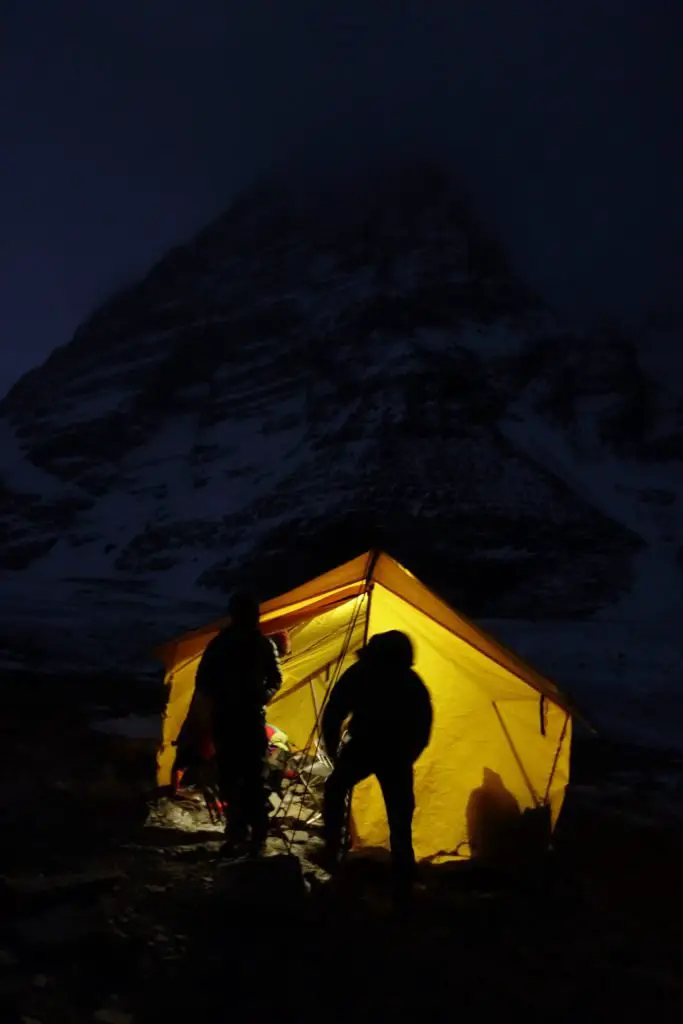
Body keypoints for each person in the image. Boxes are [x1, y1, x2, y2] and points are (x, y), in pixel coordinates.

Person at [320, 630, 433, 901]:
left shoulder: (363, 673)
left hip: (370, 747)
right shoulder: (408, 681)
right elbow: (423, 725)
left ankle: (334, 848)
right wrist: (409, 754)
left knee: (338, 789)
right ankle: (402, 871)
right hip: (389, 751)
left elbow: (334, 711)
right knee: (399, 812)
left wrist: (333, 747)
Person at [194, 590, 282, 855]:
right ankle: (242, 834)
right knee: (236, 778)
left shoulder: (261, 645)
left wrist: (260, 698)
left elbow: (275, 679)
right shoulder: (222, 645)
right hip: (231, 718)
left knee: (251, 778)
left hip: (246, 717)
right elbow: (204, 680)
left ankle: (253, 834)